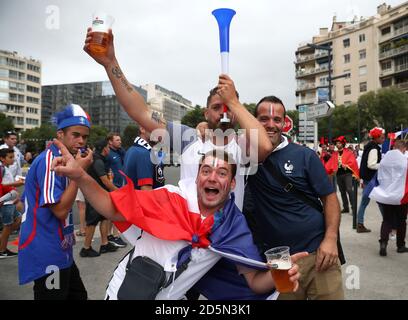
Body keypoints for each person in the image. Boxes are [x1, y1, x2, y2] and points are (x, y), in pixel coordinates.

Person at [52, 142, 307, 300]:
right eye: (205, 171)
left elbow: (253, 281)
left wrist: (278, 275)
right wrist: (81, 177)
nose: (212, 178)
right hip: (124, 293)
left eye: (221, 173)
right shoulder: (171, 198)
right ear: (197, 178)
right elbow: (112, 207)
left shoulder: (233, 226)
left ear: (231, 184)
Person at [83, 28, 272, 212]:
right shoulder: (188, 137)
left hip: (227, 238)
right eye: (216, 107)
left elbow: (265, 147)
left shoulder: (243, 143)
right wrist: (111, 63)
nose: (223, 112)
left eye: (228, 108)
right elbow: (140, 112)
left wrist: (234, 101)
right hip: (188, 236)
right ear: (206, 113)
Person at [243, 96, 344, 300]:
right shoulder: (245, 156)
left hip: (318, 254)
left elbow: (330, 198)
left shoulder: (304, 155)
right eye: (263, 119)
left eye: (277, 120)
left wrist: (331, 239)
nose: (271, 125)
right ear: (253, 122)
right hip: (279, 261)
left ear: (284, 123)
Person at [18, 104, 90, 300]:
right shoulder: (49, 160)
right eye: (75, 135)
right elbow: (59, 210)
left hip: (61, 249)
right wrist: (78, 174)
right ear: (60, 134)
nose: (81, 141)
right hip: (47, 250)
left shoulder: (67, 159)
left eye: (84, 137)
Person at [367, 140, 408, 256]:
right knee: (401, 221)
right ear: (403, 148)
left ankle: (383, 242)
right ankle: (400, 245)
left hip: (386, 194)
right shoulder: (405, 160)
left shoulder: (385, 159)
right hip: (400, 195)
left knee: (387, 220)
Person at [79, 139, 119, 257]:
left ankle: (104, 244)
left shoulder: (100, 160)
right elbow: (105, 181)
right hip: (94, 195)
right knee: (92, 222)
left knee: (104, 217)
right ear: (104, 149)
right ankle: (86, 248)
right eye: (107, 147)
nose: (109, 150)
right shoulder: (98, 162)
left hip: (100, 194)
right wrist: (118, 191)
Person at [356, 127, 386, 233]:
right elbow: (371, 165)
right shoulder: (374, 148)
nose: (384, 139)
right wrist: (383, 164)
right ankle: (388, 223)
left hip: (368, 179)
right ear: (377, 137)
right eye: (382, 137)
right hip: (371, 179)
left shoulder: (370, 146)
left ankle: (359, 224)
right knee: (380, 201)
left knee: (365, 201)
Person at [325, 136, 359, 214]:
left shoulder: (348, 152)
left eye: (339, 143)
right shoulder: (335, 154)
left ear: (343, 144)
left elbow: (353, 162)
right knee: (342, 191)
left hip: (347, 174)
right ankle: (346, 207)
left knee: (349, 189)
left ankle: (353, 208)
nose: (337, 144)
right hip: (338, 174)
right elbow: (330, 164)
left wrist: (346, 165)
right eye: (337, 143)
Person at [123, 126, 165, 190]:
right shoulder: (144, 153)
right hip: (146, 199)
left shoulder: (131, 150)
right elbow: (146, 190)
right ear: (142, 129)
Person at [0, 148, 24, 258]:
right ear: (2, 158)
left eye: (13, 157)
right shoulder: (1, 169)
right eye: (10, 157)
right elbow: (3, 186)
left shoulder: (5, 168)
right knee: (7, 225)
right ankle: (2, 250)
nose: (13, 159)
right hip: (5, 202)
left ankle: (2, 245)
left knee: (18, 220)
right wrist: (17, 184)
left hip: (9, 201)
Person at [106, 133, 127, 248]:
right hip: (113, 187)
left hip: (121, 186)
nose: (120, 142)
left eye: (120, 140)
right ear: (110, 142)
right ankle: (114, 236)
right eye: (117, 140)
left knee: (115, 211)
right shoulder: (108, 153)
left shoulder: (120, 152)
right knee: (115, 212)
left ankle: (112, 235)